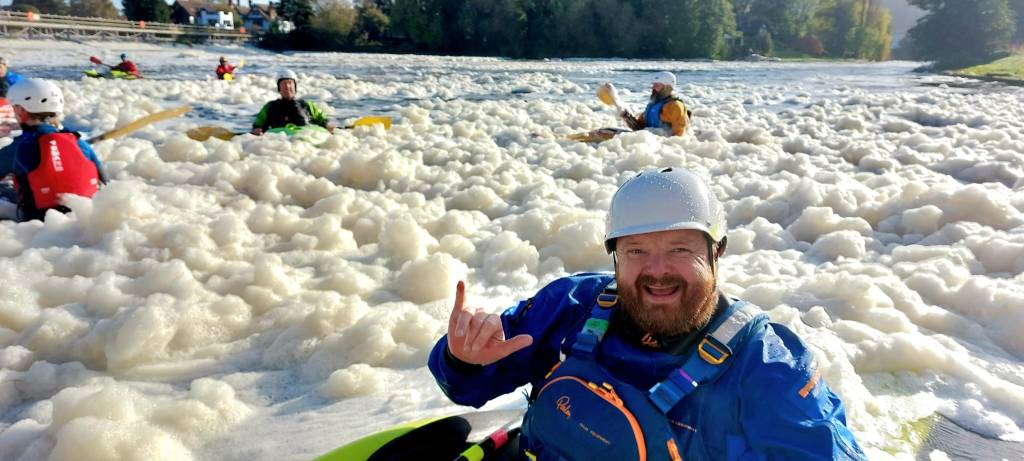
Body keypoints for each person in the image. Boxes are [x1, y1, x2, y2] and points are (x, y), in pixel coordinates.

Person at [429, 167, 867, 460]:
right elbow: (466, 388)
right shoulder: (571, 305)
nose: (657, 271)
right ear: (615, 256)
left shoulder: (769, 368)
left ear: (716, 253)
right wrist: (461, 360)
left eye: (680, 249)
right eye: (636, 251)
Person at [0, 79, 107, 222]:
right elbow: (104, 179)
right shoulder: (79, 142)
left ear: (21, 111)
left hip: (38, 222)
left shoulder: (17, 148)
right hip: (84, 219)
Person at [250, 70, 334, 135]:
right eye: (284, 84)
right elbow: (257, 125)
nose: (287, 87)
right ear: (279, 88)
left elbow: (323, 120)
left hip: (305, 137)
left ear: (295, 87)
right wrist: (257, 130)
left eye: (290, 83)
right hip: (280, 140)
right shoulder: (270, 107)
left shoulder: (307, 105)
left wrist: (328, 125)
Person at [620, 71, 690, 137]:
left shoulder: (675, 106)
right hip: (650, 140)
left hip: (663, 142)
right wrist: (628, 118)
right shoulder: (652, 105)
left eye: (657, 85)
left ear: (667, 87)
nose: (653, 87)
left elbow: (679, 136)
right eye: (653, 84)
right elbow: (639, 129)